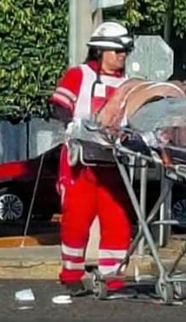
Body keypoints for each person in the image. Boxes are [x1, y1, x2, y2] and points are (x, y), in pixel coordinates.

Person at [49, 22, 134, 297]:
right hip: (80, 163)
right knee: (76, 218)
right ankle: (71, 274)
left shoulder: (128, 84)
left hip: (115, 163)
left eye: (125, 50)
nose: (122, 55)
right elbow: (59, 106)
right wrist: (74, 126)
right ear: (99, 51)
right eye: (117, 50)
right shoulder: (80, 75)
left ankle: (113, 278)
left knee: (118, 220)